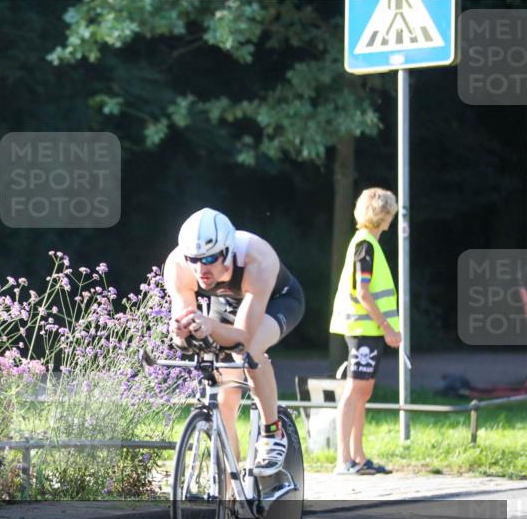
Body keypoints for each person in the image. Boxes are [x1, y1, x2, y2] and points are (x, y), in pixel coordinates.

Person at [164, 208, 306, 477]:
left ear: (227, 251)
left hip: (277, 302)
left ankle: (272, 432)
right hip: (226, 304)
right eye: (194, 259)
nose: (201, 268)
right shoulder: (177, 265)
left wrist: (210, 327)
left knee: (249, 353)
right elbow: (183, 333)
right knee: (223, 392)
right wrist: (182, 332)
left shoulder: (257, 257)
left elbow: (242, 336)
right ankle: (229, 488)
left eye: (209, 258)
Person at [329, 188, 401, 475]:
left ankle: (358, 457)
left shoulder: (368, 242)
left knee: (363, 390)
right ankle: (343, 459)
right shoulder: (365, 245)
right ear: (382, 215)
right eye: (390, 213)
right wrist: (387, 327)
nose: (392, 218)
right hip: (363, 329)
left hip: (368, 329)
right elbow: (363, 292)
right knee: (354, 389)